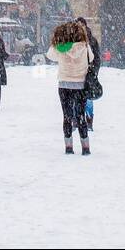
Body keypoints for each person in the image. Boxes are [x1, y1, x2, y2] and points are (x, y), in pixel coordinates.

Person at [46, 21, 93, 155]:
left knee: (67, 116)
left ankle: (68, 147)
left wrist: (58, 39)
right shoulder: (84, 46)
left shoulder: (60, 47)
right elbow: (92, 58)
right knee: (80, 116)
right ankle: (85, 147)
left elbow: (49, 54)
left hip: (64, 85)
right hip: (81, 85)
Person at [76, 16, 101, 131]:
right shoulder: (73, 40)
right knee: (75, 97)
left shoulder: (92, 40)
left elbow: (96, 58)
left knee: (88, 98)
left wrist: (94, 71)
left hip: (88, 73)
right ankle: (76, 120)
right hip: (76, 73)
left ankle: (89, 120)